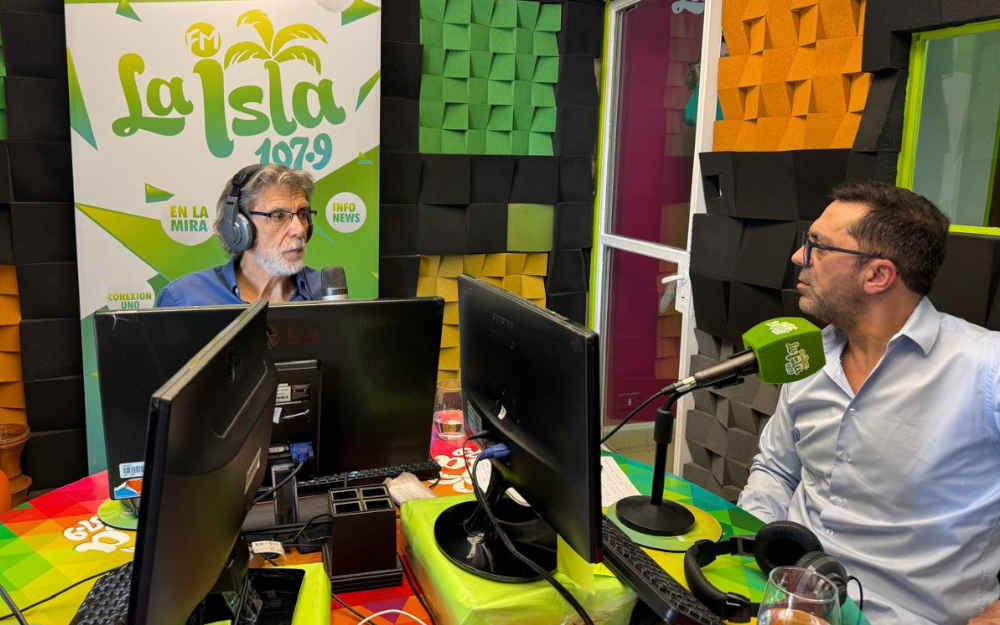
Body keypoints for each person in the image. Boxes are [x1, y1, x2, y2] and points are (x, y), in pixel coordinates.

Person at [737, 181, 1000, 625]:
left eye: (817, 246)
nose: (798, 257)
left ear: (877, 275)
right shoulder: (809, 358)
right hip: (788, 603)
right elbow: (776, 468)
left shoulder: (986, 368)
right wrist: (755, 547)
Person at [156, 164, 322, 306]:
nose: (299, 230)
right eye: (278, 216)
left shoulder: (325, 292)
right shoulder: (184, 298)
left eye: (302, 214)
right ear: (239, 228)